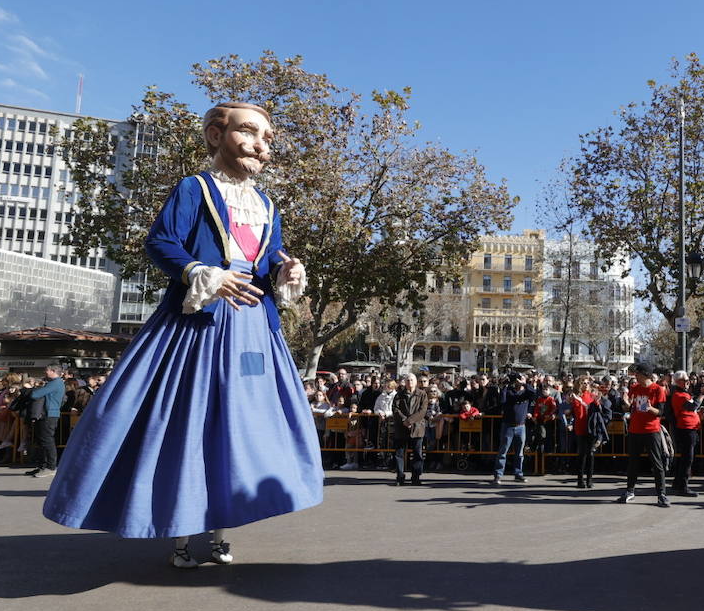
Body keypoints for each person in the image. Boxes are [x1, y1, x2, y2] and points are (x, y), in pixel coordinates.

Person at [43, 101, 323, 568]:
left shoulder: (266, 203)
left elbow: (269, 251)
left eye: (267, 138)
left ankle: (219, 531)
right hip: (201, 318)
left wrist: (286, 265)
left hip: (253, 326)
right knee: (190, 422)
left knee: (240, 428)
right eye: (249, 133)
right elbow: (161, 241)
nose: (260, 145)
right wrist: (202, 271)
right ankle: (179, 535)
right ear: (216, 135)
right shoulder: (194, 188)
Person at [618, 364, 671, 507]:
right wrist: (625, 402)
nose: (635, 376)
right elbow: (628, 407)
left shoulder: (658, 389)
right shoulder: (635, 388)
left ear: (645, 374)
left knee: (656, 463)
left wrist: (649, 408)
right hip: (635, 429)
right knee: (633, 462)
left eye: (637, 374)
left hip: (651, 431)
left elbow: (660, 412)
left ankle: (662, 494)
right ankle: (630, 491)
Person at [492, 373, 539, 484]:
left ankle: (518, 474)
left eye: (521, 379)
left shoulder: (526, 393)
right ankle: (498, 475)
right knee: (503, 451)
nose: (518, 381)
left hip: (521, 427)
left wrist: (524, 383)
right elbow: (502, 400)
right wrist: (507, 385)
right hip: (508, 426)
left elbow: (534, 393)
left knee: (520, 453)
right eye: (517, 380)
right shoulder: (509, 392)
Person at [23, 364, 66, 478]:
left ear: (53, 371)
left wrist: (31, 390)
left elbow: (35, 394)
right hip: (47, 414)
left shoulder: (55, 383)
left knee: (47, 441)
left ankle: (50, 467)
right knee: (42, 441)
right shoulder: (55, 383)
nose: (44, 372)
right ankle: (43, 466)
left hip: (49, 414)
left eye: (46, 370)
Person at [667, 371, 703, 497]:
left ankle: (677, 483)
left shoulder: (682, 393)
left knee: (685, 457)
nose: (688, 382)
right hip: (686, 429)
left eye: (688, 380)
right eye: (685, 380)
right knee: (687, 458)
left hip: (689, 427)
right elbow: (692, 407)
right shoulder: (678, 394)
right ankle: (683, 486)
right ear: (678, 382)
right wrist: (702, 394)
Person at [391, 373, 427, 486]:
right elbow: (395, 409)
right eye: (407, 380)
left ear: (416, 382)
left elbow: (422, 411)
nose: (409, 382)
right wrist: (404, 421)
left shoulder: (422, 394)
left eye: (412, 380)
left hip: (417, 428)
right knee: (399, 454)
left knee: (417, 454)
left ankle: (415, 477)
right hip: (401, 428)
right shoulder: (399, 395)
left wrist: (410, 421)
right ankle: (400, 477)